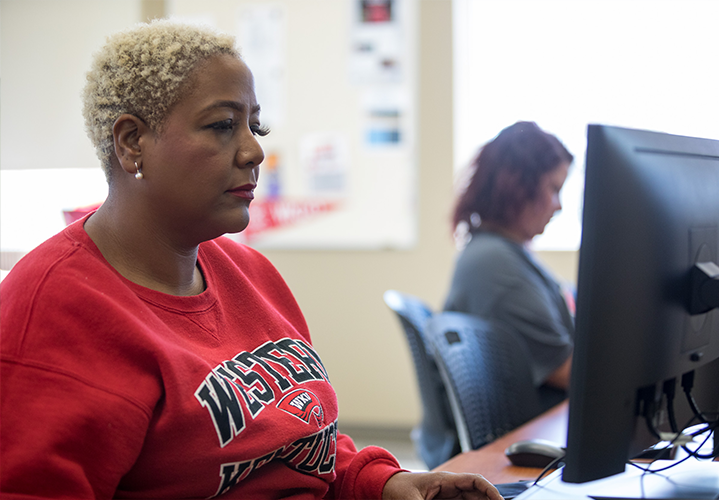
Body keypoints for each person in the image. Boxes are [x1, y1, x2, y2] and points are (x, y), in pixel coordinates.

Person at [0, 20, 502, 500]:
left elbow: (298, 444)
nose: (253, 151)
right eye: (221, 126)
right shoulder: (54, 309)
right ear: (132, 142)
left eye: (253, 125)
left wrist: (380, 484)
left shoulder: (248, 272)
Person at [443, 121, 575, 413]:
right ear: (518, 188)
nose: (559, 206)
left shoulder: (500, 252)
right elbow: (568, 371)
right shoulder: (496, 266)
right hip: (523, 435)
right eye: (553, 189)